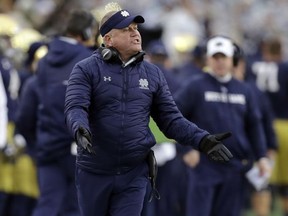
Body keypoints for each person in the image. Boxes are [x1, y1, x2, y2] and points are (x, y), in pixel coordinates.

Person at [64, 9, 233, 216]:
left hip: (133, 173)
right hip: (94, 170)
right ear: (108, 39)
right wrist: (79, 128)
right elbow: (76, 106)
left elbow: (171, 120)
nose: (135, 33)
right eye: (127, 29)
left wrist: (203, 140)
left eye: (136, 28)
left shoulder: (153, 73)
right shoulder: (85, 69)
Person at [174, 36, 271, 216]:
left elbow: (254, 126)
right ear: (208, 59)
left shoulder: (244, 90)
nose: (219, 62)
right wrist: (185, 149)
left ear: (232, 59)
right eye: (215, 57)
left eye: (223, 57)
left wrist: (262, 157)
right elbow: (173, 118)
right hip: (204, 165)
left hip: (234, 166)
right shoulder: (195, 86)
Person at [16, 9, 97, 216]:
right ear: (86, 32)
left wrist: (36, 146)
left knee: (47, 206)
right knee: (75, 208)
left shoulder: (43, 62)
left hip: (48, 146)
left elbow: (28, 112)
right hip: (79, 149)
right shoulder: (90, 61)